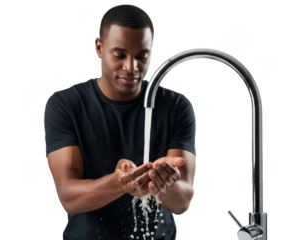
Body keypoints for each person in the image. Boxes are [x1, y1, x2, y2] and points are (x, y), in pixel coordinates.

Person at [44, 4, 197, 240]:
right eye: (120, 55)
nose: (131, 67)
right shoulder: (66, 104)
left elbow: (183, 202)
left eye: (142, 56)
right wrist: (121, 183)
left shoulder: (176, 106)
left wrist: (166, 184)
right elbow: (68, 198)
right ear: (98, 47)